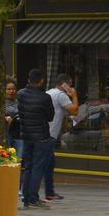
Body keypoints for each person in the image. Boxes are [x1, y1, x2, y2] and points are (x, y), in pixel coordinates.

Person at [15, 69, 55, 209]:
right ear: (41, 81)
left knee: (28, 167)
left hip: (26, 135)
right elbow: (50, 117)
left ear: (29, 79)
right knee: (37, 167)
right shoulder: (45, 97)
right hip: (41, 136)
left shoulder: (20, 94)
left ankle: (25, 197)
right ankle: (33, 197)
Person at [44, 74, 79, 202]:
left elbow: (63, 113)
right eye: (69, 84)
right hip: (50, 135)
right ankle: (45, 193)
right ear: (64, 84)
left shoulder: (49, 93)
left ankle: (49, 192)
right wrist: (74, 95)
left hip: (44, 133)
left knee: (48, 163)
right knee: (46, 164)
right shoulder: (61, 95)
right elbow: (74, 110)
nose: (71, 87)